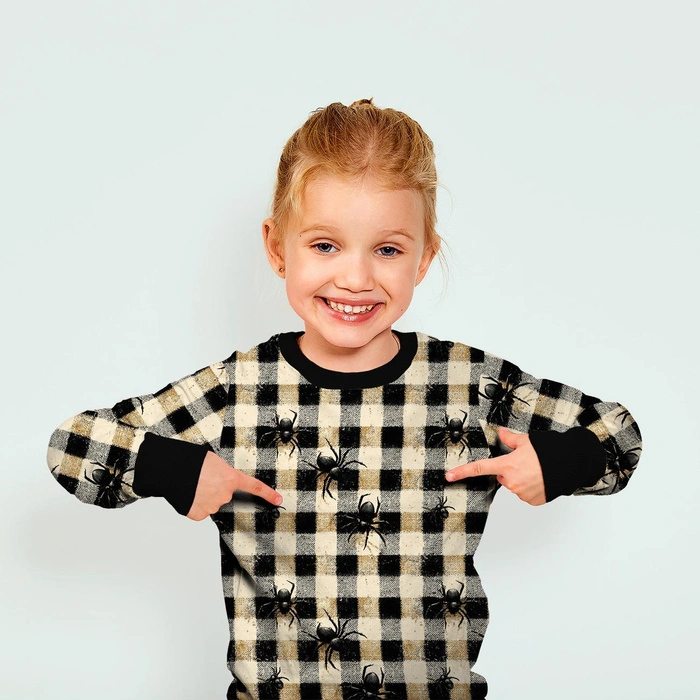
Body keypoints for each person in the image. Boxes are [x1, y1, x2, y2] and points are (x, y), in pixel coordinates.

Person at [47, 98, 643, 699]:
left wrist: (556, 462)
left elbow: (619, 435)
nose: (355, 279)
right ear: (277, 247)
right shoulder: (236, 391)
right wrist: (175, 469)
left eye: (387, 250)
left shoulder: (472, 384)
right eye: (325, 245)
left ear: (424, 257)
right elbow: (71, 447)